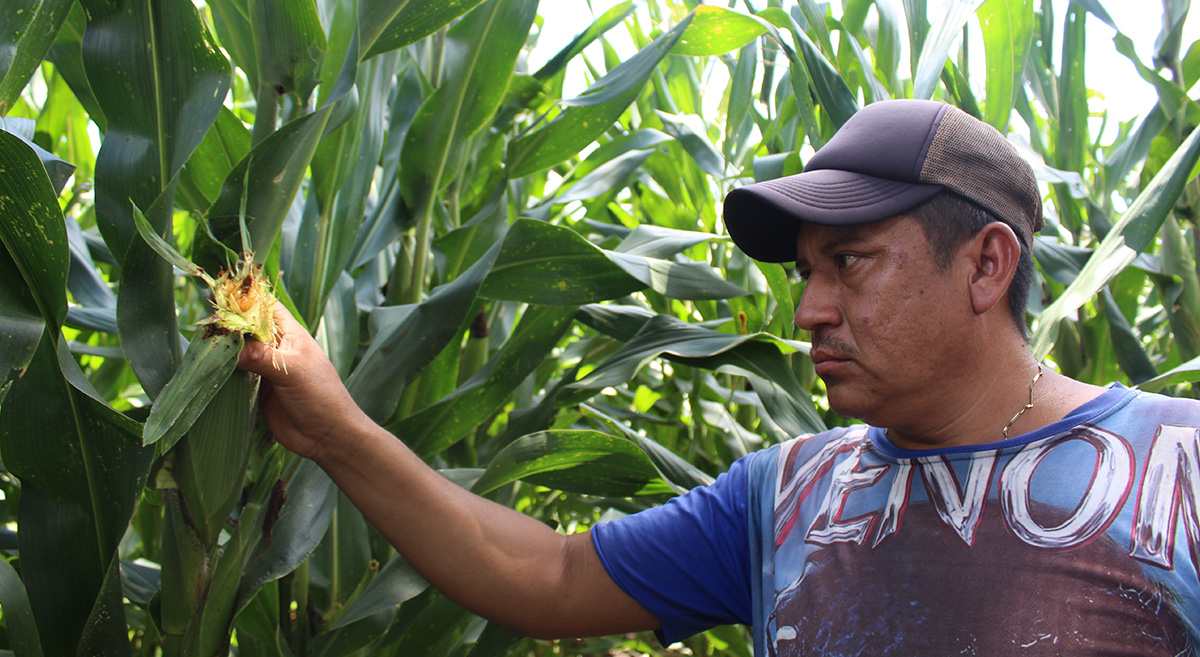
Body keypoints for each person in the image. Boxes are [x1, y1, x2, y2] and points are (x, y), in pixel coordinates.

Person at [239, 99, 1200, 655]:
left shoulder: (1178, 467)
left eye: (851, 263)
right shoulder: (789, 495)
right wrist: (334, 428)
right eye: (806, 272)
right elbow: (552, 575)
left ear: (987, 266)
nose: (810, 311)